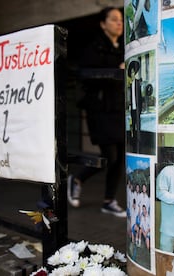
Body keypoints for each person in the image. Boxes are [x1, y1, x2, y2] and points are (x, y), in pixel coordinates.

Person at [67, 7, 126, 217]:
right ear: (103, 24)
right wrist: (116, 71)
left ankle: (109, 201)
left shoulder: (123, 47)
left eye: (121, 20)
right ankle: (77, 179)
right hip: (100, 109)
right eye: (114, 20)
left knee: (119, 157)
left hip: (119, 109)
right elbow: (85, 75)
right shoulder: (93, 47)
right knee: (109, 155)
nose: (119, 23)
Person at [128, 60, 144, 149]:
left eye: (133, 72)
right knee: (133, 125)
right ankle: (134, 141)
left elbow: (140, 97)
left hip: (137, 108)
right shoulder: (130, 84)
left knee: (139, 126)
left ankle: (139, 142)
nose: (132, 73)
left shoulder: (138, 82)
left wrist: (140, 108)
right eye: (131, 72)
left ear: (135, 72)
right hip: (132, 109)